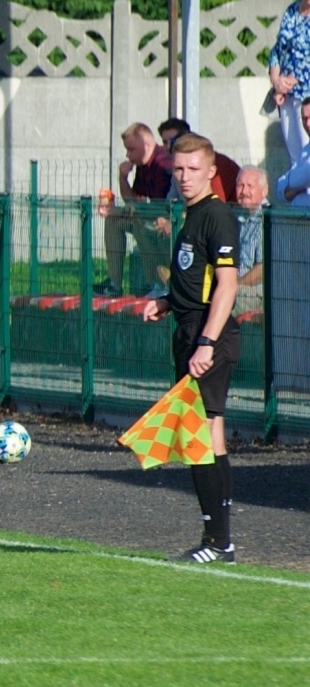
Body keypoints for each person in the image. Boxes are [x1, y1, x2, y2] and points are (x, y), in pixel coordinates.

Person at [140, 134, 241, 565]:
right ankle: (219, 541)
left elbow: (227, 285)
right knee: (206, 436)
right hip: (189, 330)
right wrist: (166, 302)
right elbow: (194, 278)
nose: (184, 177)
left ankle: (218, 542)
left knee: (198, 435)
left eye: (193, 169)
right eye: (178, 169)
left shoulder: (216, 215)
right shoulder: (191, 214)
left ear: (211, 171)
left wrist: (206, 342)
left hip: (207, 336)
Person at [96, 122, 171, 297]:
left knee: (138, 222)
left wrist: (136, 208)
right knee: (113, 218)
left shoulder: (163, 163)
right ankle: (114, 284)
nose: (128, 155)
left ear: (147, 145)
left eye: (131, 149)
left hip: (164, 221)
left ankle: (158, 284)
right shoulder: (142, 164)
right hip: (146, 216)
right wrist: (122, 177)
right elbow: (131, 199)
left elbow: (160, 206)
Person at [269, 0, 310, 164]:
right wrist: (276, 81)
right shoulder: (291, 12)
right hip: (286, 97)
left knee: (307, 156)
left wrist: (293, 80)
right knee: (295, 157)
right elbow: (278, 49)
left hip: (306, 95)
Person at [235, 166, 269, 312]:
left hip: (255, 293)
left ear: (264, 191)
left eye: (250, 186)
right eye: (240, 185)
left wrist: (234, 286)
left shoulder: (266, 220)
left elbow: (263, 269)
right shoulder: (237, 218)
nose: (244, 191)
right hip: (235, 288)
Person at [278, 98, 310, 207]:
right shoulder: (306, 151)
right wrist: (301, 187)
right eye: (304, 119)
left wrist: (295, 190)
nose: (308, 124)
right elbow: (281, 189)